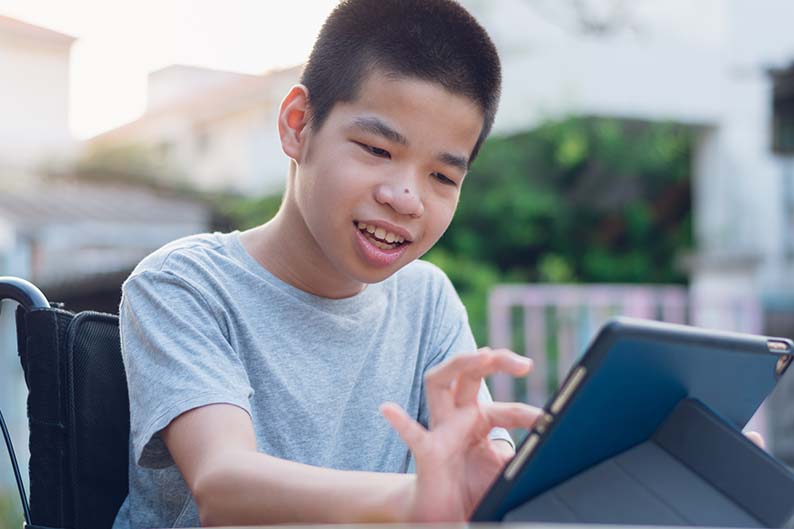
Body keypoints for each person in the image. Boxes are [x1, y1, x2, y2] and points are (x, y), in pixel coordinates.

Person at [112, 1, 541, 527]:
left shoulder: (427, 300)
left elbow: (480, 470)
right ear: (298, 125)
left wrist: (491, 478)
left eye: (443, 178)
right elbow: (223, 485)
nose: (407, 198)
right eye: (377, 149)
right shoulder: (184, 285)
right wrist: (419, 499)